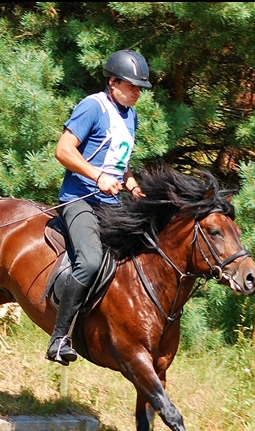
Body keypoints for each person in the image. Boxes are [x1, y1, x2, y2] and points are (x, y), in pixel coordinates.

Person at [46, 49, 152, 365]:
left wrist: (131, 184)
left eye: (139, 88)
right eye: (132, 86)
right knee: (90, 262)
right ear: (112, 82)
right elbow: (63, 151)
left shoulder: (129, 115)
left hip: (111, 204)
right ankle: (59, 338)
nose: (136, 92)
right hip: (79, 201)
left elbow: (119, 161)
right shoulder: (93, 107)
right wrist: (97, 176)